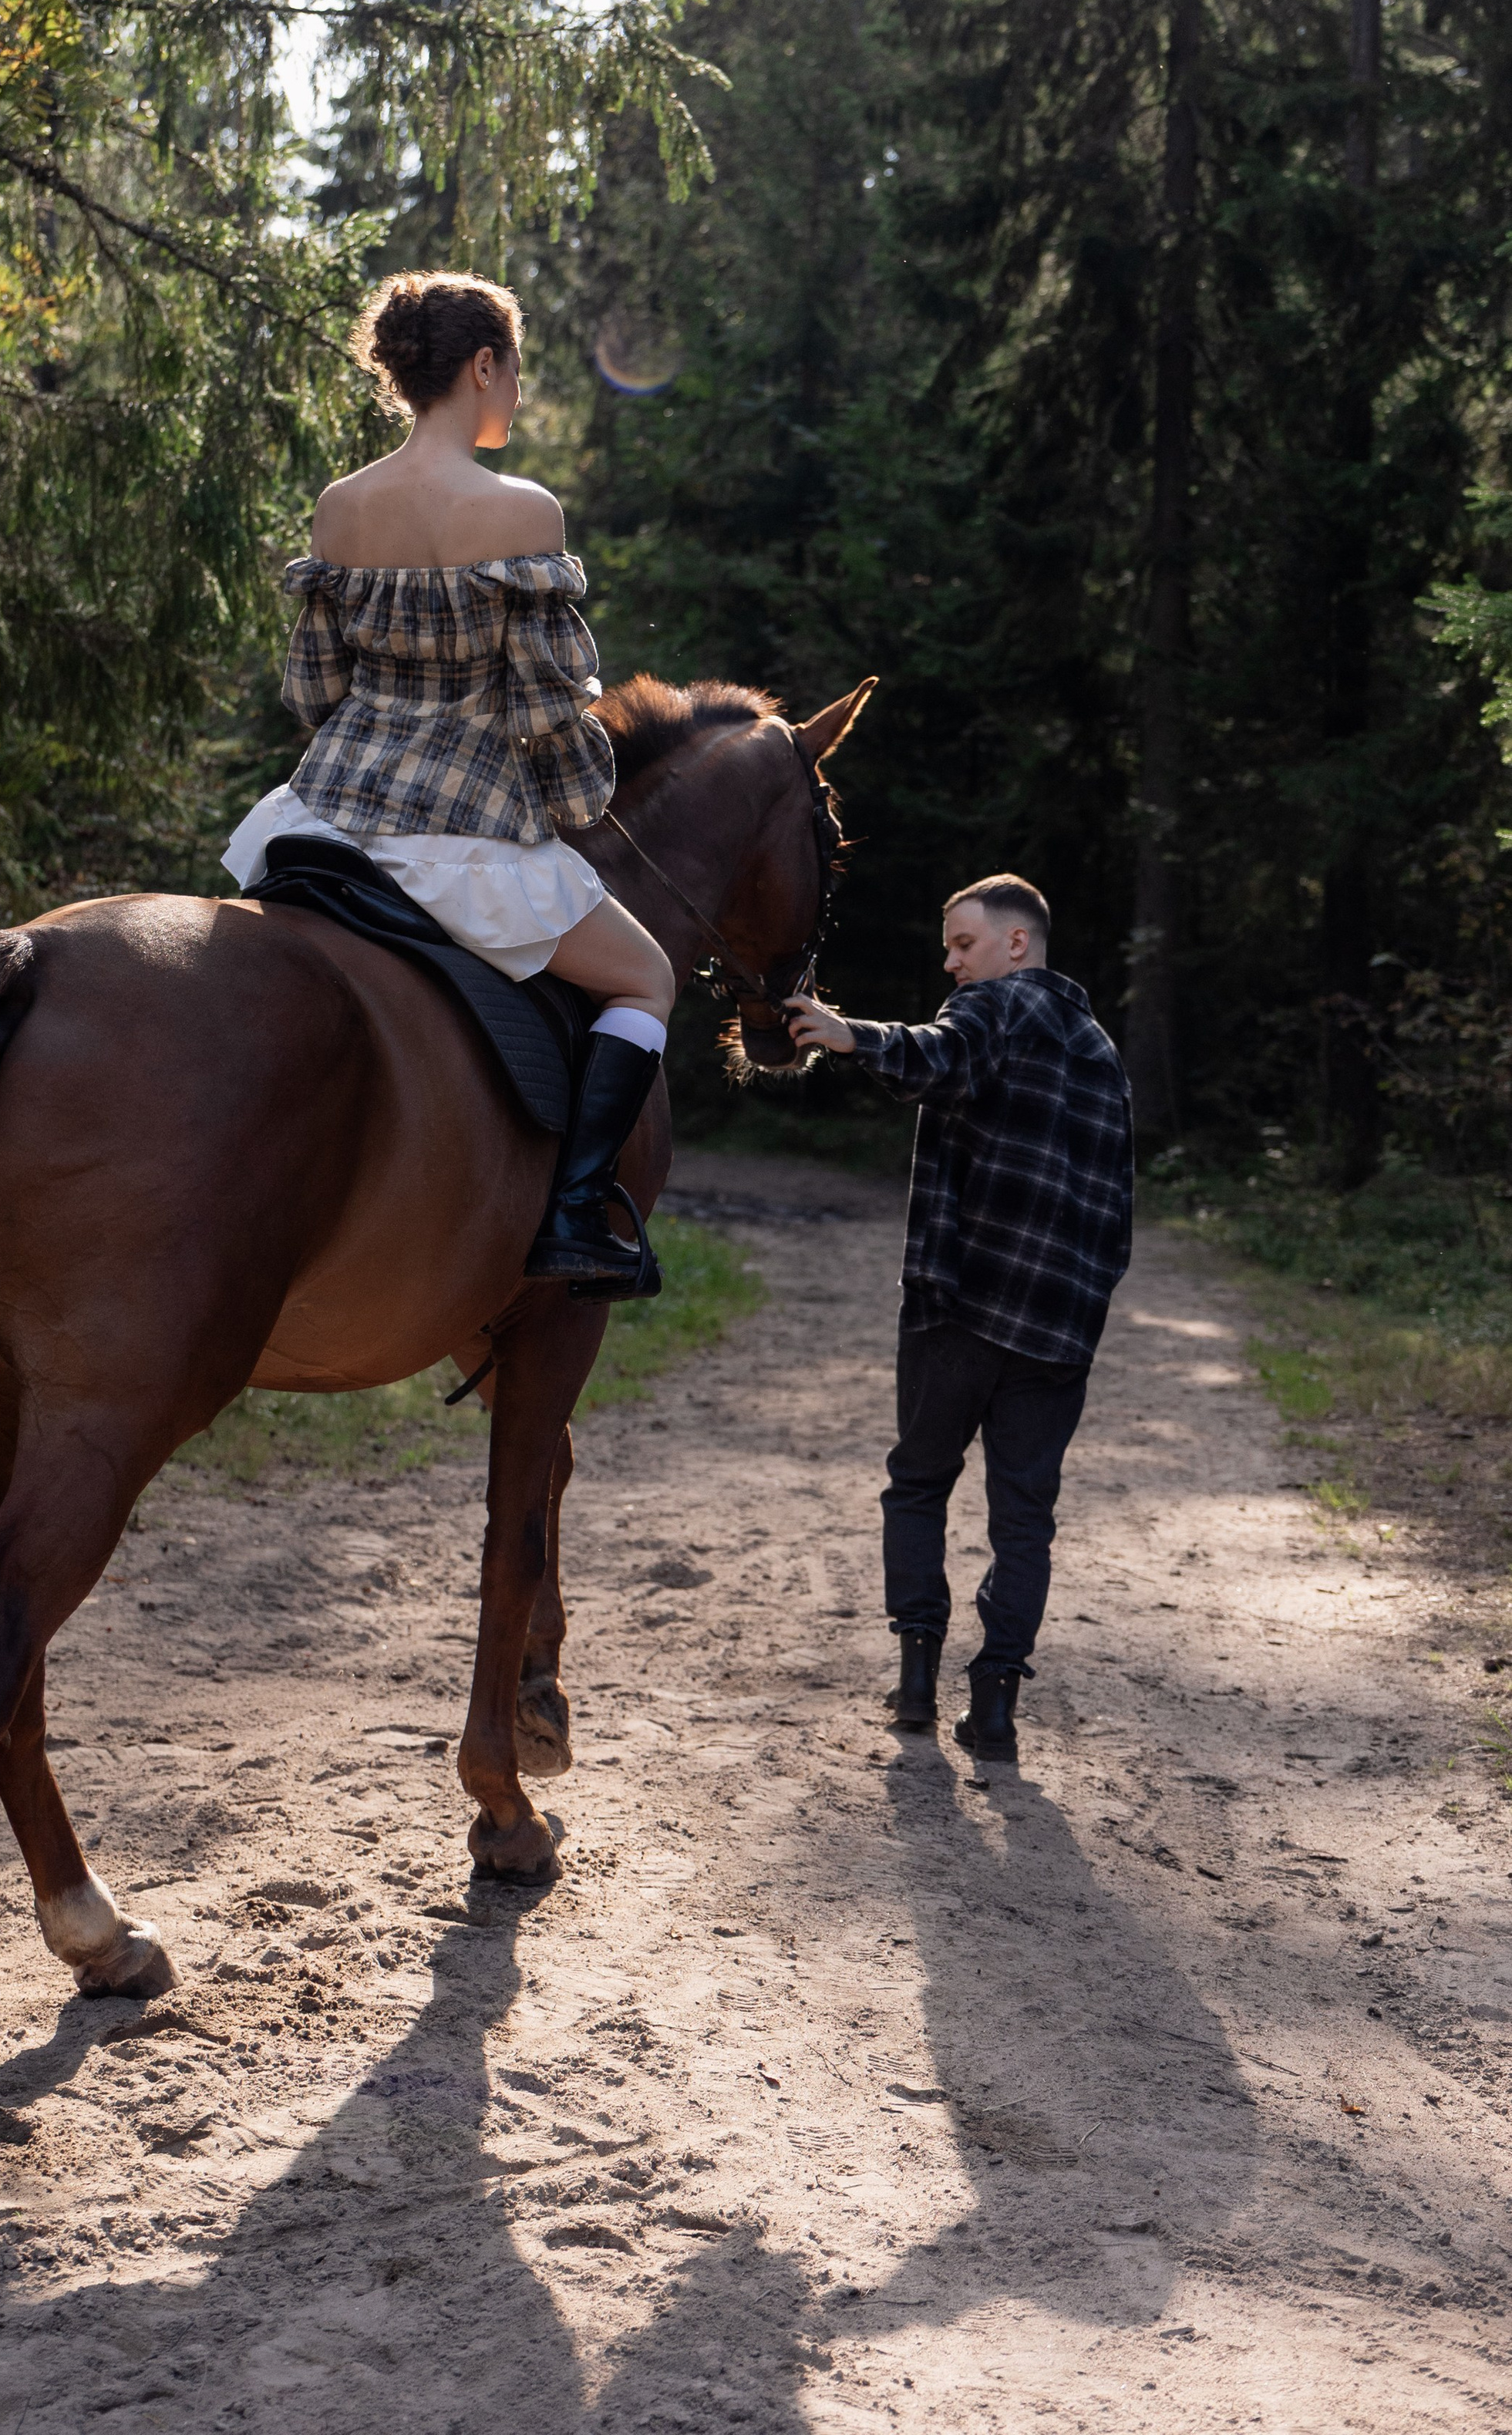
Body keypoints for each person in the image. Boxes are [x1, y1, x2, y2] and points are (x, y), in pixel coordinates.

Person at [223, 269, 675, 1298]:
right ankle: (573, 1213)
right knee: (647, 978)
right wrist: (575, 810)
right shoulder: (522, 514)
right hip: (463, 830)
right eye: (516, 370)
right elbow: (548, 710)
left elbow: (313, 691)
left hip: (324, 815)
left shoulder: (340, 509)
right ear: (482, 366)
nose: (517, 391)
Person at [783, 877, 1133, 1761]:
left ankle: (914, 1681)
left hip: (961, 1308)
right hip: (1058, 1335)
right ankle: (997, 1707)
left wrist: (850, 1034)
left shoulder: (996, 1008)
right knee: (1024, 1520)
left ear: (1015, 944)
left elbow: (938, 1054)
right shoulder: (1102, 1053)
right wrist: (1078, 1316)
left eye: (962, 943)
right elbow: (1117, 1219)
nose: (950, 961)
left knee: (918, 1483)